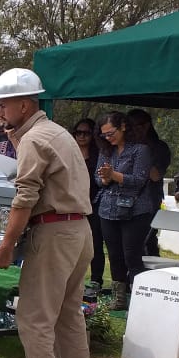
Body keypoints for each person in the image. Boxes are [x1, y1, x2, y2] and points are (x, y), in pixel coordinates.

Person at [0, 68, 92, 358]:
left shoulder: (34, 139)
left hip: (55, 231)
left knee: (34, 314)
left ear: (25, 105)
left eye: (4, 104)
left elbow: (24, 197)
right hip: (79, 230)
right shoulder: (53, 133)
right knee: (68, 311)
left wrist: (7, 244)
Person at [95, 111, 152, 311]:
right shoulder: (105, 151)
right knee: (114, 255)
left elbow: (139, 180)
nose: (108, 138)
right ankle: (119, 298)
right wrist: (104, 178)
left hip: (135, 211)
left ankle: (140, 299)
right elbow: (98, 179)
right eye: (104, 135)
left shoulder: (140, 150)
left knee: (132, 255)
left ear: (124, 127)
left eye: (111, 133)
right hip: (108, 209)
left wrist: (114, 175)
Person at [126, 109, 171, 257]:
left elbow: (156, 176)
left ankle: (152, 275)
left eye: (135, 126)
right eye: (128, 126)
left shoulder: (159, 148)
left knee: (148, 238)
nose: (131, 130)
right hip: (126, 199)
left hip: (149, 200)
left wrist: (144, 151)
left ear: (146, 126)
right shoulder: (126, 146)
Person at [71, 118, 105, 288]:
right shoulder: (69, 153)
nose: (81, 136)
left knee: (95, 243)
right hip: (72, 204)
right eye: (78, 132)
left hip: (94, 203)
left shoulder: (99, 155)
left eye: (86, 133)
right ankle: (73, 279)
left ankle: (96, 279)